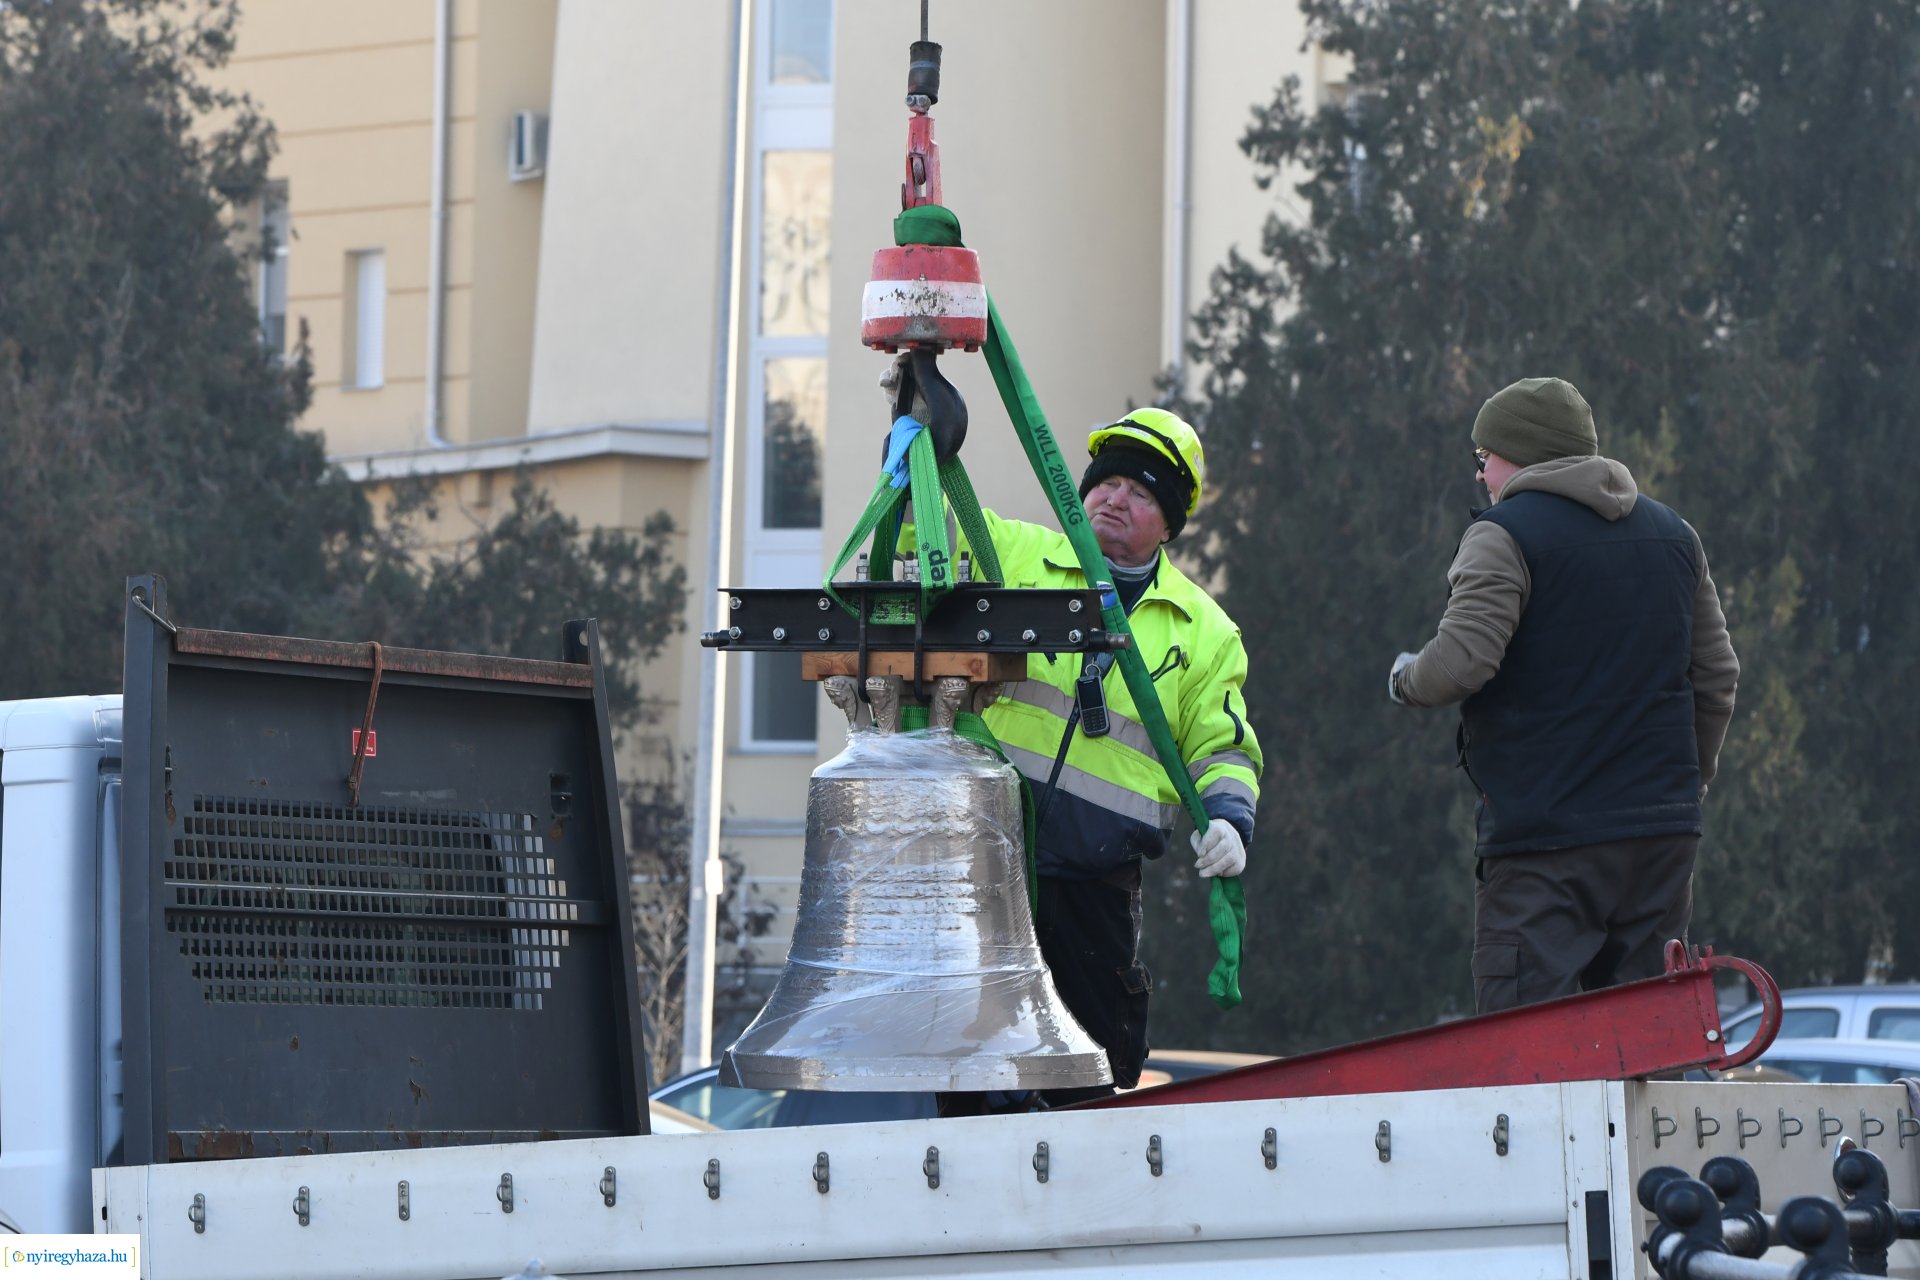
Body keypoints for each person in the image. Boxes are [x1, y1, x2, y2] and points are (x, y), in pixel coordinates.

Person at [1386, 376, 1739, 1014]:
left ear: (1521, 455)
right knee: (1649, 1039)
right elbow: (1717, 677)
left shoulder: (1503, 534)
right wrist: (1687, 786)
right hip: (1659, 840)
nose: (1480, 474)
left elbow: (1460, 666)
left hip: (1544, 846)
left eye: (1484, 456)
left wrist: (1404, 676)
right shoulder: (1676, 536)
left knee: (1526, 1045)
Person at [970, 408, 1263, 1102]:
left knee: (1093, 1084)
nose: (1113, 499)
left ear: (1169, 523)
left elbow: (1221, 746)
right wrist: (918, 433)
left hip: (1094, 889)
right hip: (988, 871)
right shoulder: (1017, 557)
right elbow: (924, 530)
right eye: (1106, 483)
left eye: (1139, 491)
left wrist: (1229, 819)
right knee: (975, 1084)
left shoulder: (1205, 630)